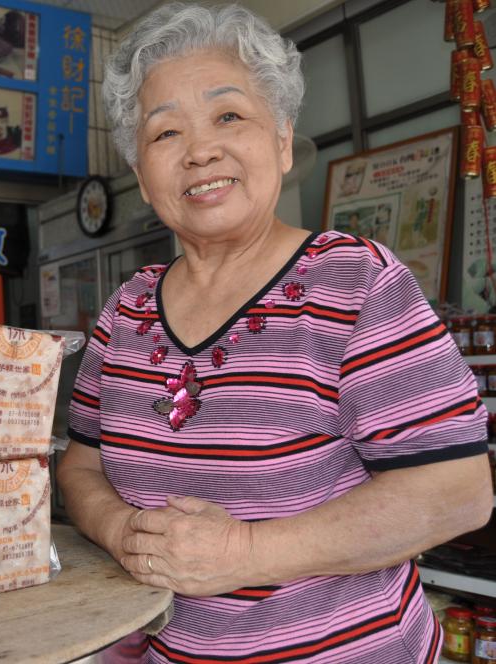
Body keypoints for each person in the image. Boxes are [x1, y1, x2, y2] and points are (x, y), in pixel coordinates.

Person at [58, 4, 494, 663]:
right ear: (143, 177)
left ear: (282, 141)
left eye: (228, 115)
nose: (200, 149)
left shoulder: (355, 283)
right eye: (164, 132)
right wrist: (121, 531)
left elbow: (456, 492)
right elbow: (82, 462)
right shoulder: (126, 309)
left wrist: (246, 553)